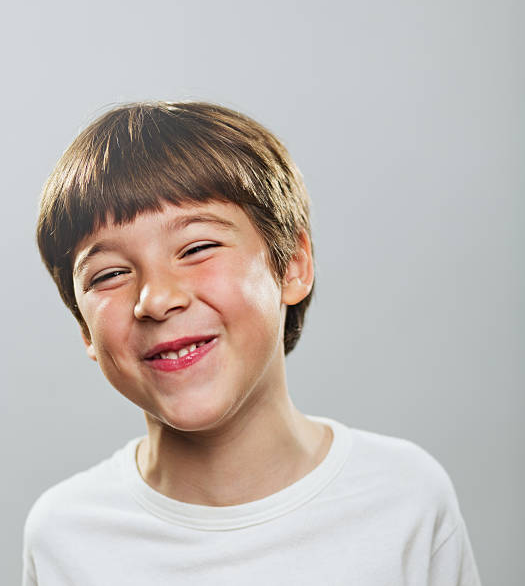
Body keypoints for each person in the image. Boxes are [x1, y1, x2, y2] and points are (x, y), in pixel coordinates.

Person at [23, 101, 481, 585]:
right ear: (83, 327)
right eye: (110, 274)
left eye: (197, 248)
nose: (156, 299)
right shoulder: (65, 535)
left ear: (292, 266)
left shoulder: (405, 497)